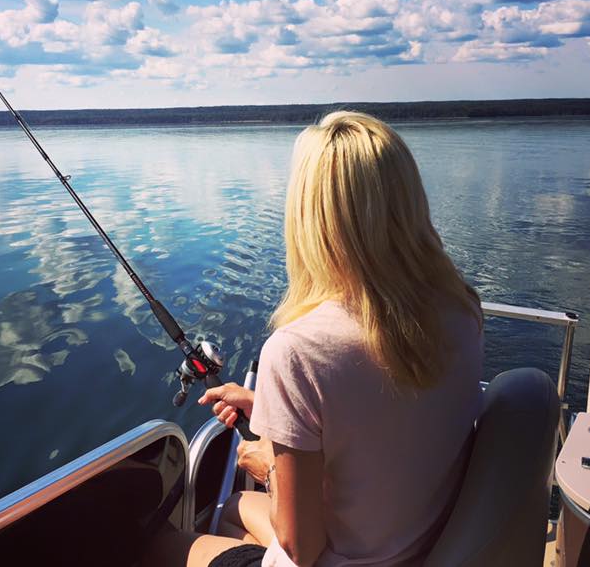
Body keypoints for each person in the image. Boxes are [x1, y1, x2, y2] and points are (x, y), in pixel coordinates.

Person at [149, 111, 483, 567]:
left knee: (163, 546)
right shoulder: (463, 308)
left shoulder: (297, 352)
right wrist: (271, 410)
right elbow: (383, 415)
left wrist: (269, 463)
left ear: (311, 216)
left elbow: (299, 548)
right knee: (231, 509)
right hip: (423, 546)